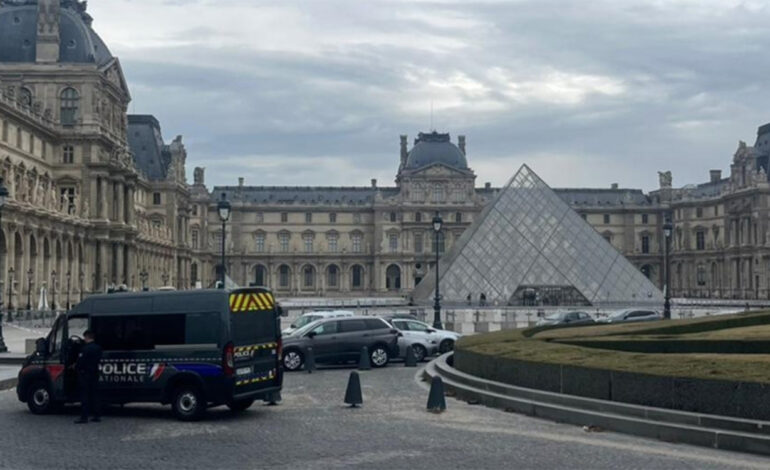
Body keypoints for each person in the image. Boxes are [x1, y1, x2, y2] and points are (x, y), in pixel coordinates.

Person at [74, 330, 103, 424]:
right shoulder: (98, 348)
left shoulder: (85, 349)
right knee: (95, 395)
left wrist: (76, 367)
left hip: (85, 374)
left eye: (85, 337)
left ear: (87, 337)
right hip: (94, 373)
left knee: (84, 396)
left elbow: (80, 362)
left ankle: (84, 417)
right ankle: (97, 415)